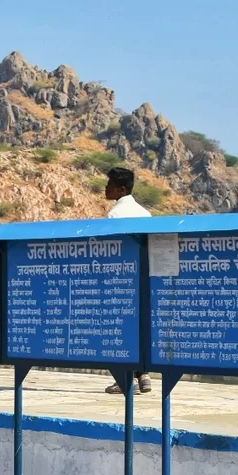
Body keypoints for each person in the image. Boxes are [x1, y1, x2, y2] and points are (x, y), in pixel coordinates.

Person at [103, 166, 151, 393]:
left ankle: (124, 380)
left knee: (115, 333)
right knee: (137, 329)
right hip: (142, 280)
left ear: (121, 189)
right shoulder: (145, 214)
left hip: (119, 281)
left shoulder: (115, 215)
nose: (106, 188)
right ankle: (143, 374)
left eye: (110, 185)